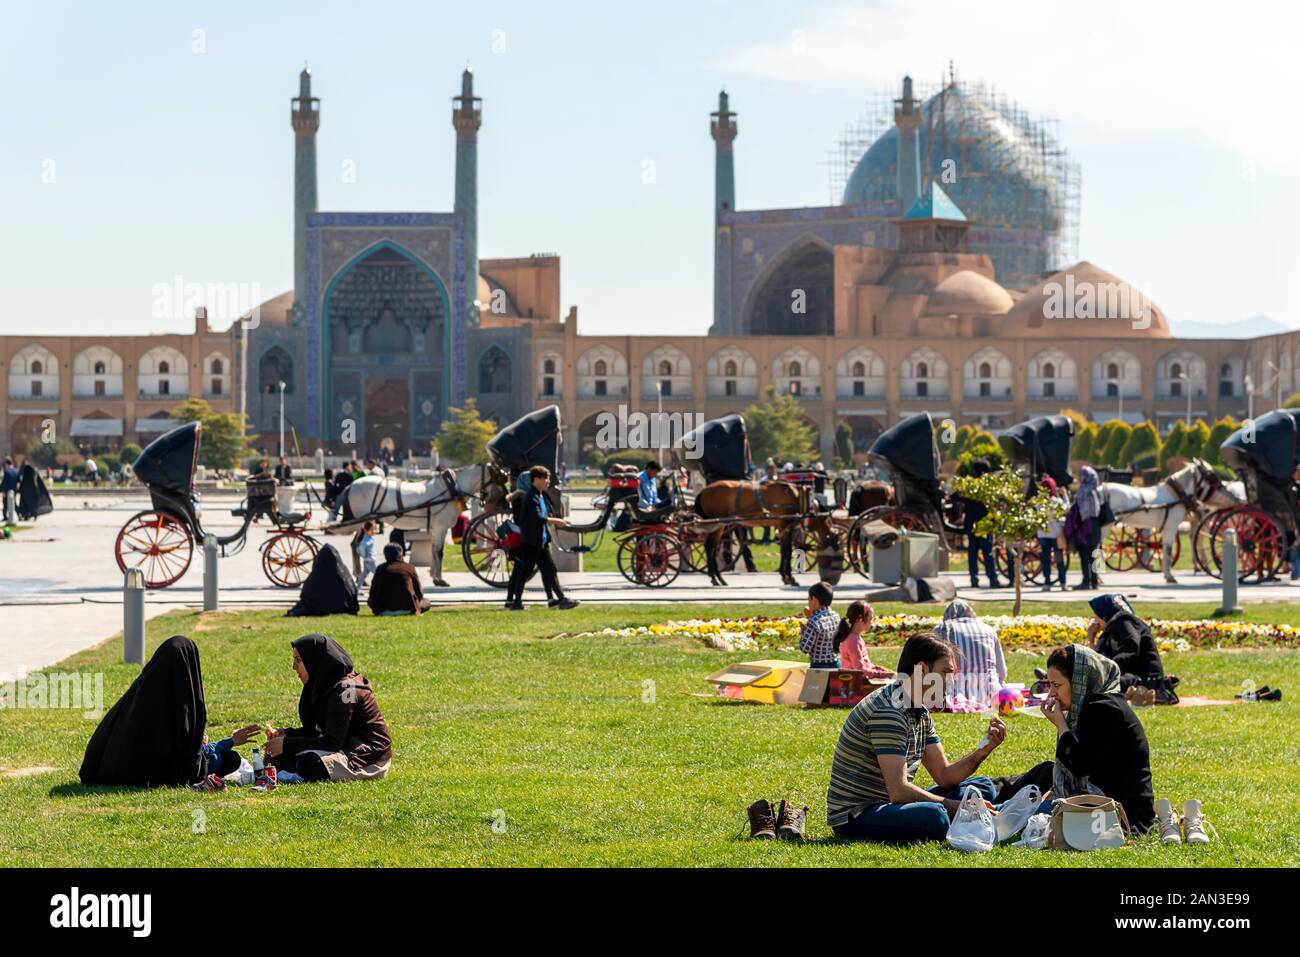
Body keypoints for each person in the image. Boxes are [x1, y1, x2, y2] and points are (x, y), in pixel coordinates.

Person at [827, 633, 1007, 843]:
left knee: (980, 787)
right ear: (922, 670)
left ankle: (973, 815)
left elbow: (944, 775)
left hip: (888, 804)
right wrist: (955, 806)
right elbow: (899, 792)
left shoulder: (918, 709)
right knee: (935, 816)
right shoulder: (889, 712)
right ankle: (976, 817)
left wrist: (983, 750)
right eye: (946, 673)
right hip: (858, 815)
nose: (951, 681)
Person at [80, 635, 240, 788]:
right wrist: (228, 742)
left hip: (109, 770)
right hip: (155, 773)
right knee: (229, 759)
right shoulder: (181, 701)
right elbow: (189, 759)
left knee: (224, 758)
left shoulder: (138, 694)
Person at [1041, 643, 1156, 833]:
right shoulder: (1097, 703)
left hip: (1123, 815)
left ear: (1080, 681)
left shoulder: (1103, 709)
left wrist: (1061, 725)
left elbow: (1078, 765)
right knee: (1042, 774)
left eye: (1057, 685)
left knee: (1027, 810)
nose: (1052, 693)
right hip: (1111, 804)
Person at [263, 635, 392, 783]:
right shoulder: (322, 684)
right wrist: (285, 734)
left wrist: (287, 744)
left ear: (315, 660)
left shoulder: (346, 689)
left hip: (367, 758)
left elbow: (332, 741)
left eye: (298, 660)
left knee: (309, 763)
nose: (294, 667)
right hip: (341, 747)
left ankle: (297, 773)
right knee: (278, 754)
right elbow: (319, 731)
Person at [505, 465, 579, 610]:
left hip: (541, 541)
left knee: (549, 570)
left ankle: (560, 599)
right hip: (532, 542)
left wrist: (556, 518)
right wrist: (556, 521)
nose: (548, 481)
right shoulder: (530, 497)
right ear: (536, 480)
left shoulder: (540, 495)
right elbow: (538, 518)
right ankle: (516, 602)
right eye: (546, 478)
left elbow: (545, 515)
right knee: (525, 571)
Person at [1087, 594, 1177, 704]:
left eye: (1096, 616)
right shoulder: (1112, 630)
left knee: (1101, 688)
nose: (1095, 620)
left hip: (1146, 680)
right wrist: (1092, 640)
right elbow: (1099, 660)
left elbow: (1131, 648)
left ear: (1105, 614)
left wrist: (1109, 670)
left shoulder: (1125, 621)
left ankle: (1144, 695)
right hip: (1132, 676)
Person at [933, 599, 1006, 710]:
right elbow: (1002, 673)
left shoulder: (942, 629)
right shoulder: (989, 630)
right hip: (990, 695)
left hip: (953, 694)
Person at [958, 462, 1002, 589]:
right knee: (987, 553)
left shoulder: (970, 486)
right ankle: (992, 579)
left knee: (972, 553)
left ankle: (974, 579)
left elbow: (956, 496)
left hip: (971, 524)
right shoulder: (988, 487)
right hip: (984, 525)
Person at [287, 544, 360, 617]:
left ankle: (295, 613)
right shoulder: (343, 573)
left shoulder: (317, 575)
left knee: (308, 605)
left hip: (320, 606)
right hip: (342, 607)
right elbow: (352, 591)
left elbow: (306, 594)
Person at [1067, 466, 1104, 590]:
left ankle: (1085, 581)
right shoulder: (1096, 491)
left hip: (1085, 526)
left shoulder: (1084, 492)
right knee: (1094, 554)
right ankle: (1094, 582)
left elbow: (1082, 511)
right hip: (1095, 525)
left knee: (1084, 555)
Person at [368, 543, 428, 616]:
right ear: (401, 554)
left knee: (369, 600)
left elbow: (373, 592)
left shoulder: (380, 568)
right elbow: (419, 592)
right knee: (426, 602)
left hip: (384, 610)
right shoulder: (409, 568)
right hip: (408, 609)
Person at [1037, 477, 1069, 591]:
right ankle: (1062, 582)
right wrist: (1065, 496)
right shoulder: (1056, 501)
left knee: (1046, 560)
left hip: (1043, 535)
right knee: (1059, 559)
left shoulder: (1038, 503)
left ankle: (1047, 583)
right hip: (1056, 535)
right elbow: (1066, 508)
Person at [798, 582, 839, 668]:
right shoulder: (836, 616)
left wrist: (803, 630)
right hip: (836, 663)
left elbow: (805, 648)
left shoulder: (814, 621)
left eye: (809, 599)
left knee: (815, 682)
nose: (808, 602)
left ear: (815, 600)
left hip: (819, 666)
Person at [833, 600, 881, 672]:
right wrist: (880, 674)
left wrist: (881, 670)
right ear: (861, 619)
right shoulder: (853, 640)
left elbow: (866, 664)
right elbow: (859, 670)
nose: (872, 622)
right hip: (853, 682)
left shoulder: (856, 638)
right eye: (871, 619)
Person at [356, 520, 378, 587]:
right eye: (371, 530)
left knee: (364, 574)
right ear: (366, 530)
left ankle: (358, 586)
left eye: (375, 529)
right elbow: (361, 547)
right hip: (370, 560)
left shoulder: (368, 538)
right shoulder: (366, 539)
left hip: (368, 560)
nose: (374, 531)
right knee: (378, 573)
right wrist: (363, 556)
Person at [2, 456, 18, 525]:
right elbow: (18, 481)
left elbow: (5, 482)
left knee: (5, 504)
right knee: (14, 503)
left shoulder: (7, 472)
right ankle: (19, 513)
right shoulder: (16, 471)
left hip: (7, 491)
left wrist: (3, 491)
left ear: (6, 464)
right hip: (14, 490)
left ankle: (5, 516)